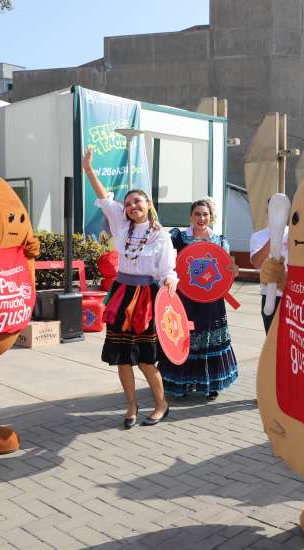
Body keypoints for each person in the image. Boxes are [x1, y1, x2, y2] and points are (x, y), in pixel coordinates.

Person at [82, 148, 177, 429]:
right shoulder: (121, 225)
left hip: (145, 299)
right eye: (129, 203)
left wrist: (171, 281)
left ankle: (161, 404)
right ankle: (131, 406)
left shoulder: (161, 236)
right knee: (122, 359)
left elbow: (167, 270)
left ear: (148, 204)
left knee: (146, 360)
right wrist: (89, 169)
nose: (132, 206)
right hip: (121, 295)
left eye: (138, 201)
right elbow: (103, 197)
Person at [158, 198, 239, 400]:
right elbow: (165, 256)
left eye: (205, 214)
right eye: (197, 214)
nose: (201, 218)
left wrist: (233, 271)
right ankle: (181, 383)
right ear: (190, 216)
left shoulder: (220, 241)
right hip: (185, 300)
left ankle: (210, 384)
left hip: (213, 302)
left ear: (210, 217)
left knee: (210, 339)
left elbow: (227, 270)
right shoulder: (178, 238)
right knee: (184, 338)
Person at [249, 209, 289, 333]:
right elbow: (256, 263)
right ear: (267, 212)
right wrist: (275, 236)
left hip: (294, 296)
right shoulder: (258, 236)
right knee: (272, 342)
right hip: (271, 297)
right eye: (274, 210)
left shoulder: (295, 233)